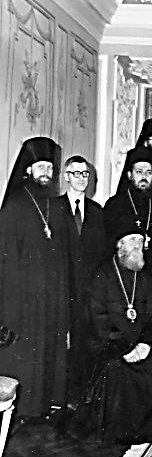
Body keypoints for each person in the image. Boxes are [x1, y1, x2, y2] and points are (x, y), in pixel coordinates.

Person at [86, 217, 152, 444]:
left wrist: (146, 343)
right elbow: (97, 320)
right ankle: (122, 433)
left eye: (141, 241)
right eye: (133, 240)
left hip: (142, 343)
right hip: (110, 347)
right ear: (119, 245)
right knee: (118, 369)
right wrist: (125, 348)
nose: (138, 246)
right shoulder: (101, 276)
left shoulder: (145, 278)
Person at [0, 137, 72, 420]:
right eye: (41, 166)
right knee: (26, 356)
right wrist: (10, 311)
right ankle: (23, 413)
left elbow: (64, 259)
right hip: (23, 302)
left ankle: (42, 408)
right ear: (28, 169)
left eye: (50, 167)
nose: (46, 173)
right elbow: (5, 262)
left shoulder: (55, 206)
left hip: (51, 299)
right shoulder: (14, 207)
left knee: (47, 356)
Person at [59, 155, 108, 419]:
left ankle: (81, 396)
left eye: (85, 174)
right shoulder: (53, 208)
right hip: (61, 289)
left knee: (85, 344)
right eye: (75, 173)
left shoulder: (97, 212)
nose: (81, 178)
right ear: (66, 177)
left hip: (88, 293)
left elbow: (102, 254)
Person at [103, 147, 152, 266]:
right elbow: (108, 244)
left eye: (148, 172)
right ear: (129, 175)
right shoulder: (115, 205)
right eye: (139, 172)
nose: (144, 176)